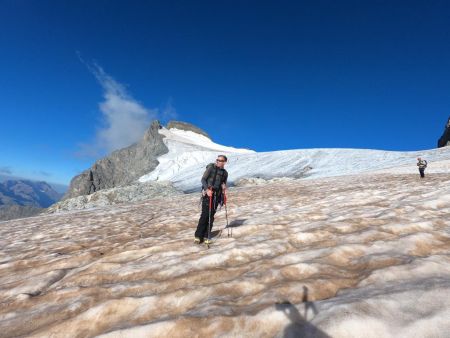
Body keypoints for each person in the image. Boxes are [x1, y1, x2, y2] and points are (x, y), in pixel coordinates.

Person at [194, 155, 228, 244]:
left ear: (224, 162)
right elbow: (203, 179)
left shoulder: (225, 173)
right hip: (208, 194)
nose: (218, 161)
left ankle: (206, 235)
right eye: (218, 160)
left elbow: (223, 183)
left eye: (220, 160)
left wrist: (224, 187)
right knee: (205, 214)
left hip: (216, 195)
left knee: (211, 215)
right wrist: (207, 190)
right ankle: (198, 236)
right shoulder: (210, 168)